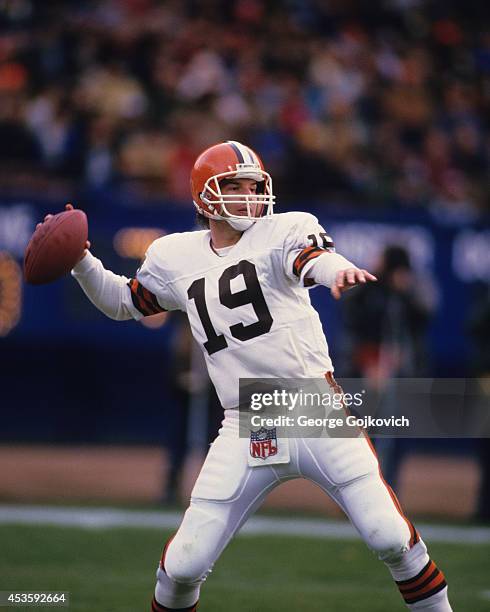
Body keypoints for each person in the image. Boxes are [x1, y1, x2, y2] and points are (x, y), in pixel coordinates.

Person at [43, 141, 451, 611]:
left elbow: (314, 259)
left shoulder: (284, 230)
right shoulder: (174, 255)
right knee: (183, 566)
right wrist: (81, 263)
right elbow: (124, 302)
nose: (247, 196)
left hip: (314, 406)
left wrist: (339, 271)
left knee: (389, 536)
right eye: (233, 187)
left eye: (253, 186)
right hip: (245, 420)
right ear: (203, 196)